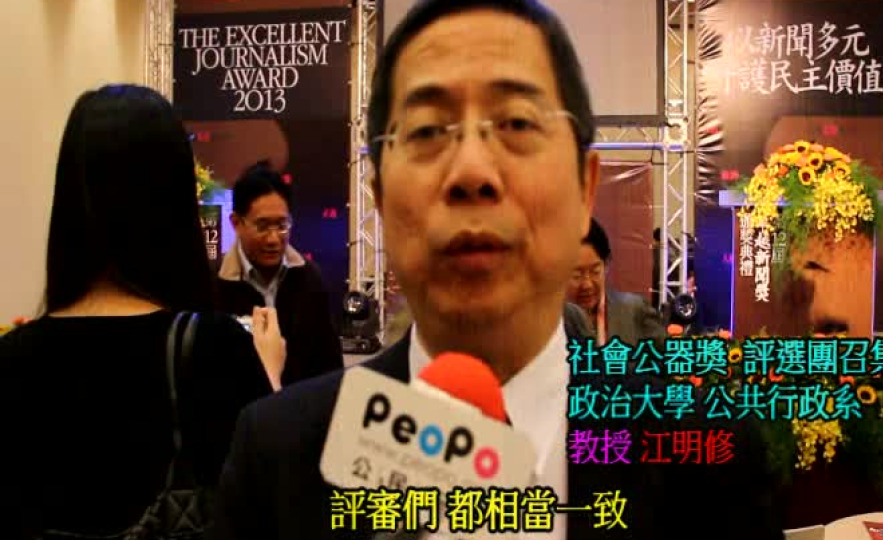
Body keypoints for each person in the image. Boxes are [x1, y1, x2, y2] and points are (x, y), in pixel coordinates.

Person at [211, 1, 784, 539]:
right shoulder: (280, 458)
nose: (471, 172)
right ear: (379, 197)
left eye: (517, 125)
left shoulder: (706, 458)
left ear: (585, 190)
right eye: (427, 131)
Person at [0, 84, 284, 538]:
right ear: (174, 204)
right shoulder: (213, 349)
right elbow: (273, 501)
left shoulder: (13, 358)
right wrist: (268, 378)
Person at [215, 161, 345, 384]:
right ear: (236, 223)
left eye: (282, 225)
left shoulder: (310, 279)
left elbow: (330, 368)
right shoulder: (215, 284)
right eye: (262, 226)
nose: (273, 239)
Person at [567, 218, 666, 344]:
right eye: (576, 275)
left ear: (606, 265)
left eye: (595, 271)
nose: (587, 285)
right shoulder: (548, 322)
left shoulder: (633, 309)